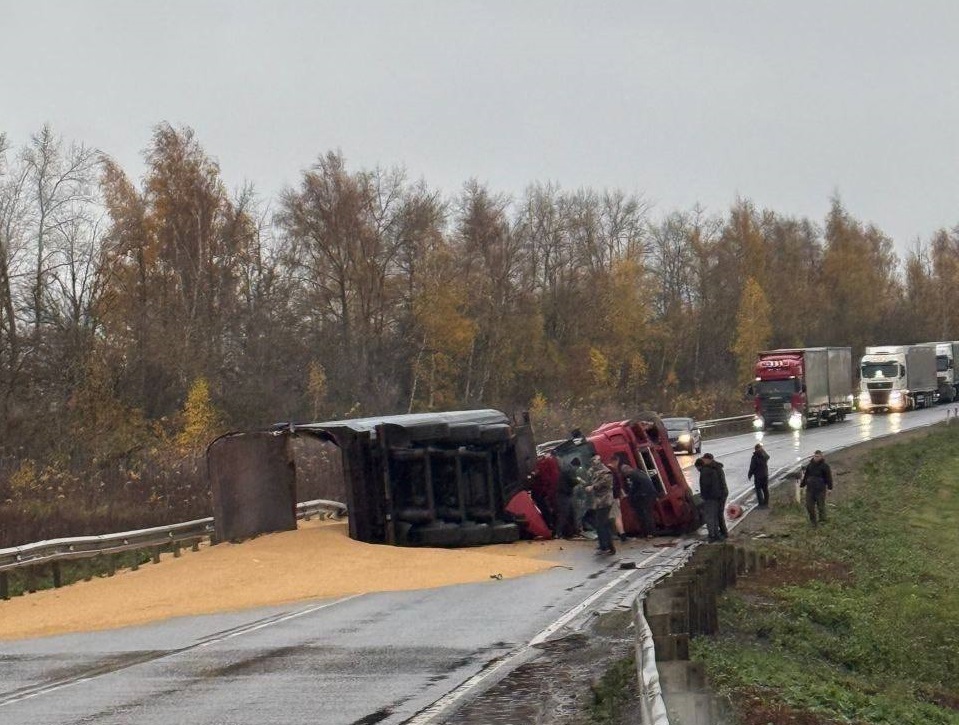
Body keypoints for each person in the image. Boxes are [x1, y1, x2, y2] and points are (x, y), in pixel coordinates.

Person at [617, 454, 658, 539]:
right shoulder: (637, 472)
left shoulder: (633, 475)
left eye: (624, 473)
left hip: (646, 495)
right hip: (650, 494)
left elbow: (634, 488)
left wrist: (629, 496)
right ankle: (649, 532)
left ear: (627, 471)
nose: (625, 476)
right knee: (647, 513)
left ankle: (649, 533)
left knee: (645, 514)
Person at [586, 455, 616, 555]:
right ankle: (605, 546)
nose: (592, 465)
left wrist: (592, 487)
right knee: (602, 524)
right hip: (600, 502)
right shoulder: (596, 471)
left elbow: (604, 483)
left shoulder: (606, 472)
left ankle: (607, 547)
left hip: (605, 501)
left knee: (601, 525)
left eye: (594, 463)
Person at [554, 457, 585, 538]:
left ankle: (570, 532)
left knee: (570, 513)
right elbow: (571, 480)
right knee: (564, 514)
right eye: (577, 467)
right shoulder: (570, 470)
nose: (577, 469)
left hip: (564, 494)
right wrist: (579, 480)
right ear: (576, 465)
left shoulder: (567, 468)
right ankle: (559, 533)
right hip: (564, 495)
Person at [800, 450, 833, 526]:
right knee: (809, 506)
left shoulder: (825, 466)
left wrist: (830, 488)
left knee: (820, 506)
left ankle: (822, 520)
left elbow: (829, 478)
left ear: (821, 457)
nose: (816, 458)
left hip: (820, 489)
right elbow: (806, 476)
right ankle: (813, 522)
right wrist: (802, 486)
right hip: (810, 489)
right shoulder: (810, 465)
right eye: (815, 456)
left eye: (818, 456)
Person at [702, 453, 729, 539]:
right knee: (718, 514)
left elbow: (709, 485)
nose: (703, 461)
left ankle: (718, 534)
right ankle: (722, 533)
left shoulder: (710, 469)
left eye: (704, 459)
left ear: (708, 459)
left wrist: (707, 496)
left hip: (717, 495)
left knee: (716, 515)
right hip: (721, 494)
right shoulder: (717, 467)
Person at [747, 443, 770, 508]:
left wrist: (750, 474)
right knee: (765, 489)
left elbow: (752, 467)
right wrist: (763, 451)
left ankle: (761, 504)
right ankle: (766, 503)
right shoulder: (764, 455)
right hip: (765, 475)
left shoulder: (755, 456)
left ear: (756, 449)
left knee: (758, 489)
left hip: (758, 476)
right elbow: (768, 457)